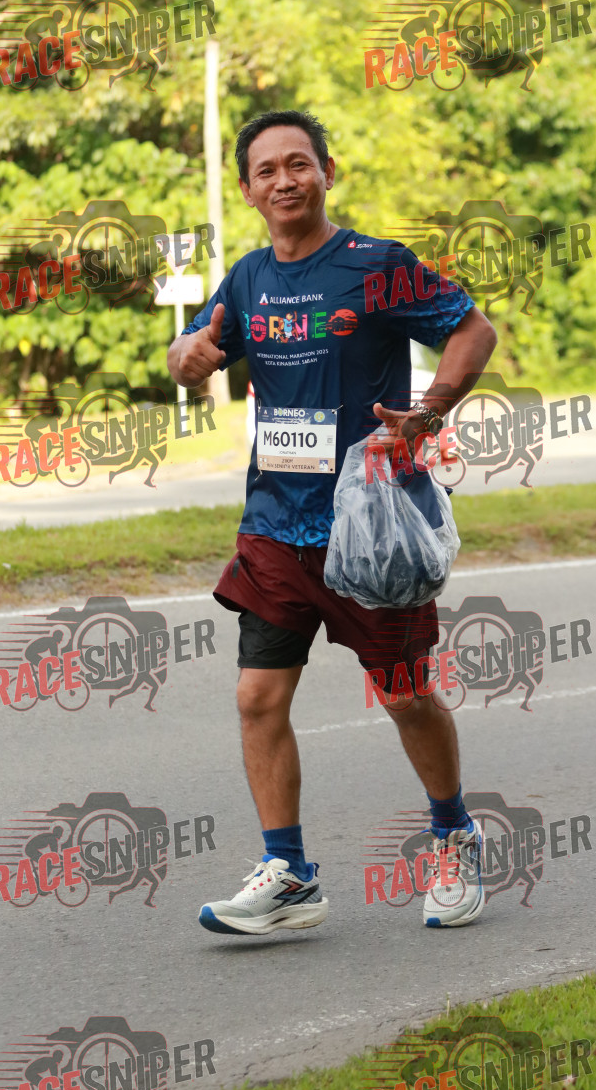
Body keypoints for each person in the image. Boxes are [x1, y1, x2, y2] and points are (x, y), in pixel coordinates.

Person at [168, 110, 497, 935]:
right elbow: (191, 347)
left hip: (369, 530)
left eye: (298, 164)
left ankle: (454, 836)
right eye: (267, 171)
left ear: (327, 172)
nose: (284, 180)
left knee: (406, 696)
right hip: (276, 526)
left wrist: (428, 412)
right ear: (248, 190)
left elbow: (473, 329)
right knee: (257, 698)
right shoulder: (248, 279)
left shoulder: (377, 266)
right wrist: (187, 356)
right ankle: (289, 874)